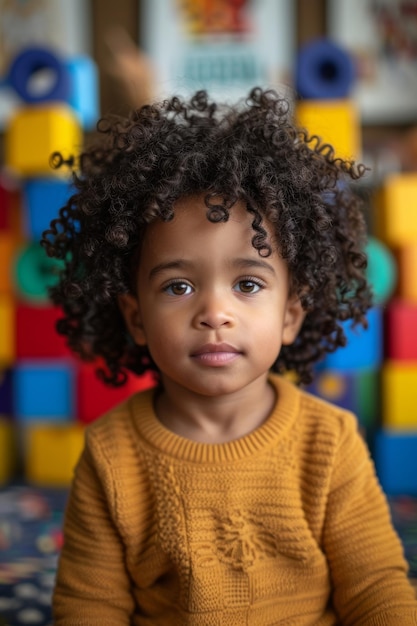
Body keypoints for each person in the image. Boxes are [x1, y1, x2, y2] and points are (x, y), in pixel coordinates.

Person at [42, 87, 417, 625]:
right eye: (177, 287)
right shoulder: (110, 455)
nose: (214, 312)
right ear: (135, 318)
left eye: (246, 283)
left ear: (291, 314)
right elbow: (88, 606)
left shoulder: (328, 442)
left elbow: (376, 590)